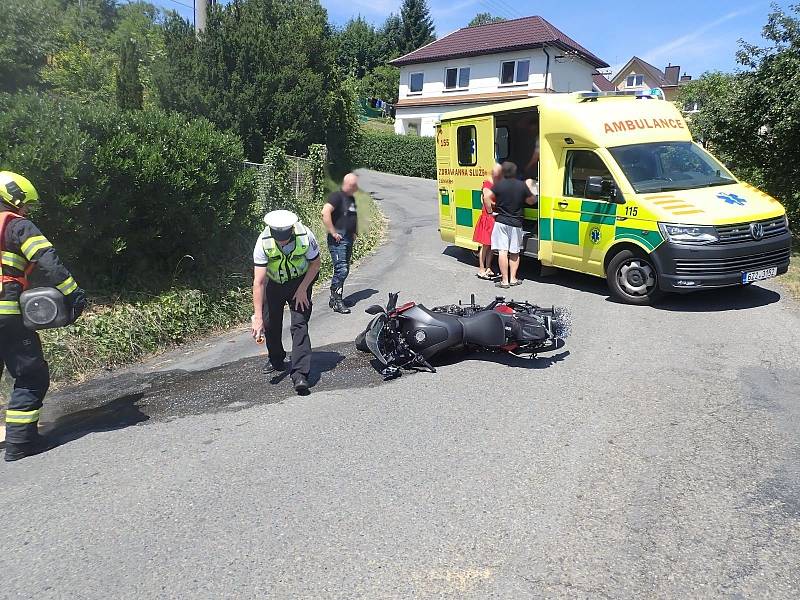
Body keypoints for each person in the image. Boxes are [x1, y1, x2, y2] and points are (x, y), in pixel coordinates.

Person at [1, 171, 87, 462]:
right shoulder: (16, 226)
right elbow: (46, 260)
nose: (25, 210)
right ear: (11, 197)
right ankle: (20, 442)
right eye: (24, 203)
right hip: (6, 314)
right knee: (30, 375)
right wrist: (73, 293)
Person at [251, 209, 321, 395]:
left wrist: (303, 289)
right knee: (269, 323)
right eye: (278, 239)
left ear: (291, 230)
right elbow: (258, 282)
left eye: (285, 238)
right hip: (273, 283)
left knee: (299, 324)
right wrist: (257, 316)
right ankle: (276, 359)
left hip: (300, 281)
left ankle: (300, 374)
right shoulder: (263, 241)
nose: (282, 242)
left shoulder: (305, 236)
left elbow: (315, 264)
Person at [491, 162, 535, 289]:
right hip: (516, 222)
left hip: (501, 221)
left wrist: (492, 209)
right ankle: (513, 279)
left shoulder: (499, 185)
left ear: (504, 172)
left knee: (503, 251)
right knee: (514, 252)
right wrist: (525, 197)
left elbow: (488, 196)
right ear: (515, 172)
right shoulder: (521, 185)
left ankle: (504, 281)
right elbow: (532, 201)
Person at [322, 173, 359, 314]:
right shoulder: (336, 196)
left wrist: (354, 232)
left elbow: (351, 217)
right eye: (355, 185)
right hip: (338, 240)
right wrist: (332, 232)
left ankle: (337, 297)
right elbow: (325, 212)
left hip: (348, 238)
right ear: (349, 184)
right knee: (341, 270)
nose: (357, 188)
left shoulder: (351, 199)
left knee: (345, 269)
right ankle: (337, 302)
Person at [473, 163, 502, 280]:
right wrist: (491, 211)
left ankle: (489, 267)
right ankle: (481, 269)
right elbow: (486, 198)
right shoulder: (487, 183)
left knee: (491, 245)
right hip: (488, 217)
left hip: (492, 217)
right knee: (485, 245)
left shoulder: (495, 184)